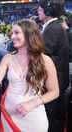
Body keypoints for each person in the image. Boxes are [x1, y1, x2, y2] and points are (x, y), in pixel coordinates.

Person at [0, 19, 59, 131]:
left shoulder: (45, 60)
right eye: (12, 33)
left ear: (29, 34)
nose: (12, 37)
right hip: (10, 116)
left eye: (16, 33)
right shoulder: (8, 58)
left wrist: (33, 103)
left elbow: (54, 91)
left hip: (34, 116)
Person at [37, 0, 69, 131]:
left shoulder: (53, 29)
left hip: (54, 84)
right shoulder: (53, 27)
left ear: (48, 11)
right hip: (56, 82)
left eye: (40, 9)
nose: (38, 11)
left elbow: (40, 54)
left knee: (53, 120)